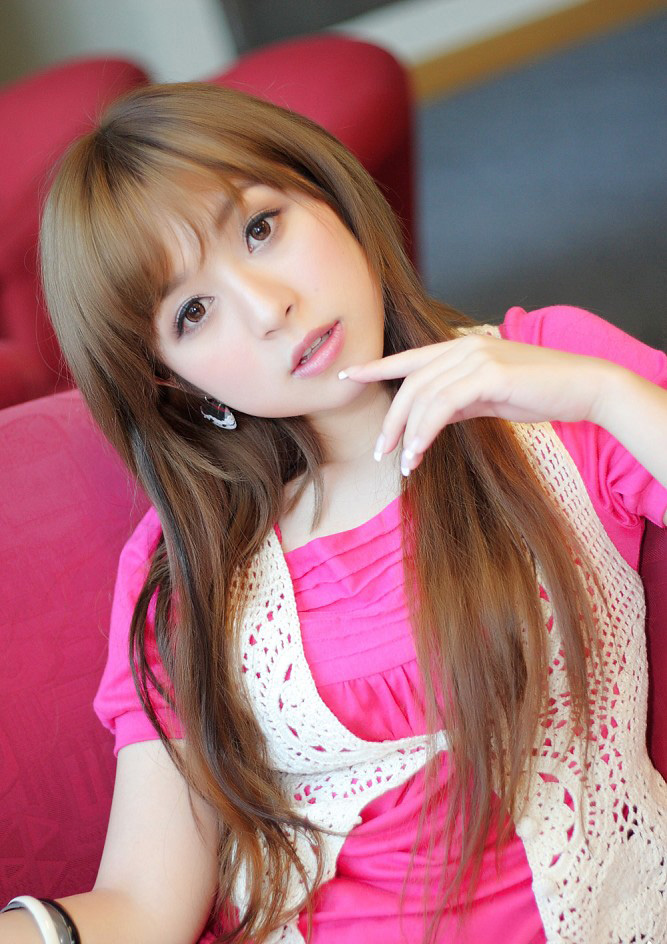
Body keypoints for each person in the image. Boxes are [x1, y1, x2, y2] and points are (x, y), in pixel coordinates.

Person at [2, 81, 666, 944]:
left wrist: (603, 395)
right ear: (169, 378)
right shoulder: (191, 567)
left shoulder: (550, 377)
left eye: (260, 227)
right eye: (193, 312)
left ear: (323, 191)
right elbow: (143, 905)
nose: (267, 307)